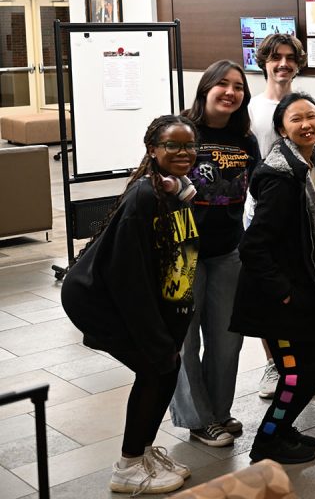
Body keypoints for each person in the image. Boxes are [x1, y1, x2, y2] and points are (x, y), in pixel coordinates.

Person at [62, 115, 200, 495]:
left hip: (131, 298)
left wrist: (171, 334)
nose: (183, 152)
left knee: (166, 369)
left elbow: (176, 264)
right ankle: (126, 467)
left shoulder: (174, 192)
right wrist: (156, 339)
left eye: (189, 145)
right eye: (172, 145)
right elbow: (130, 278)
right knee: (155, 368)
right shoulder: (146, 197)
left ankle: (141, 452)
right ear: (153, 150)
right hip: (98, 299)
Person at [230, 93, 315, 464]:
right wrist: (284, 293)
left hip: (303, 289)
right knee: (296, 374)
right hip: (277, 299)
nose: (307, 124)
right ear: (281, 129)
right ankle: (266, 442)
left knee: (313, 366)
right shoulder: (280, 175)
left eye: (312, 116)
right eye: (296, 119)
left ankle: (283, 428)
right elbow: (253, 245)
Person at [169, 61, 260, 448]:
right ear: (205, 88)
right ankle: (197, 419)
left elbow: (259, 189)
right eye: (222, 84)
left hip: (227, 250)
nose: (230, 92)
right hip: (180, 252)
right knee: (185, 341)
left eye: (238, 86)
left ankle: (219, 412)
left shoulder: (245, 139)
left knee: (228, 339)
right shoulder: (181, 131)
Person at [243, 33, 315, 399]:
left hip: (303, 209)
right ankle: (275, 365)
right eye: (276, 57)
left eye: (290, 57)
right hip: (263, 205)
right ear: (264, 62)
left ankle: (301, 364)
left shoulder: (308, 104)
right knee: (272, 292)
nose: (283, 64)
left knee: (301, 283)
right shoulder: (252, 108)